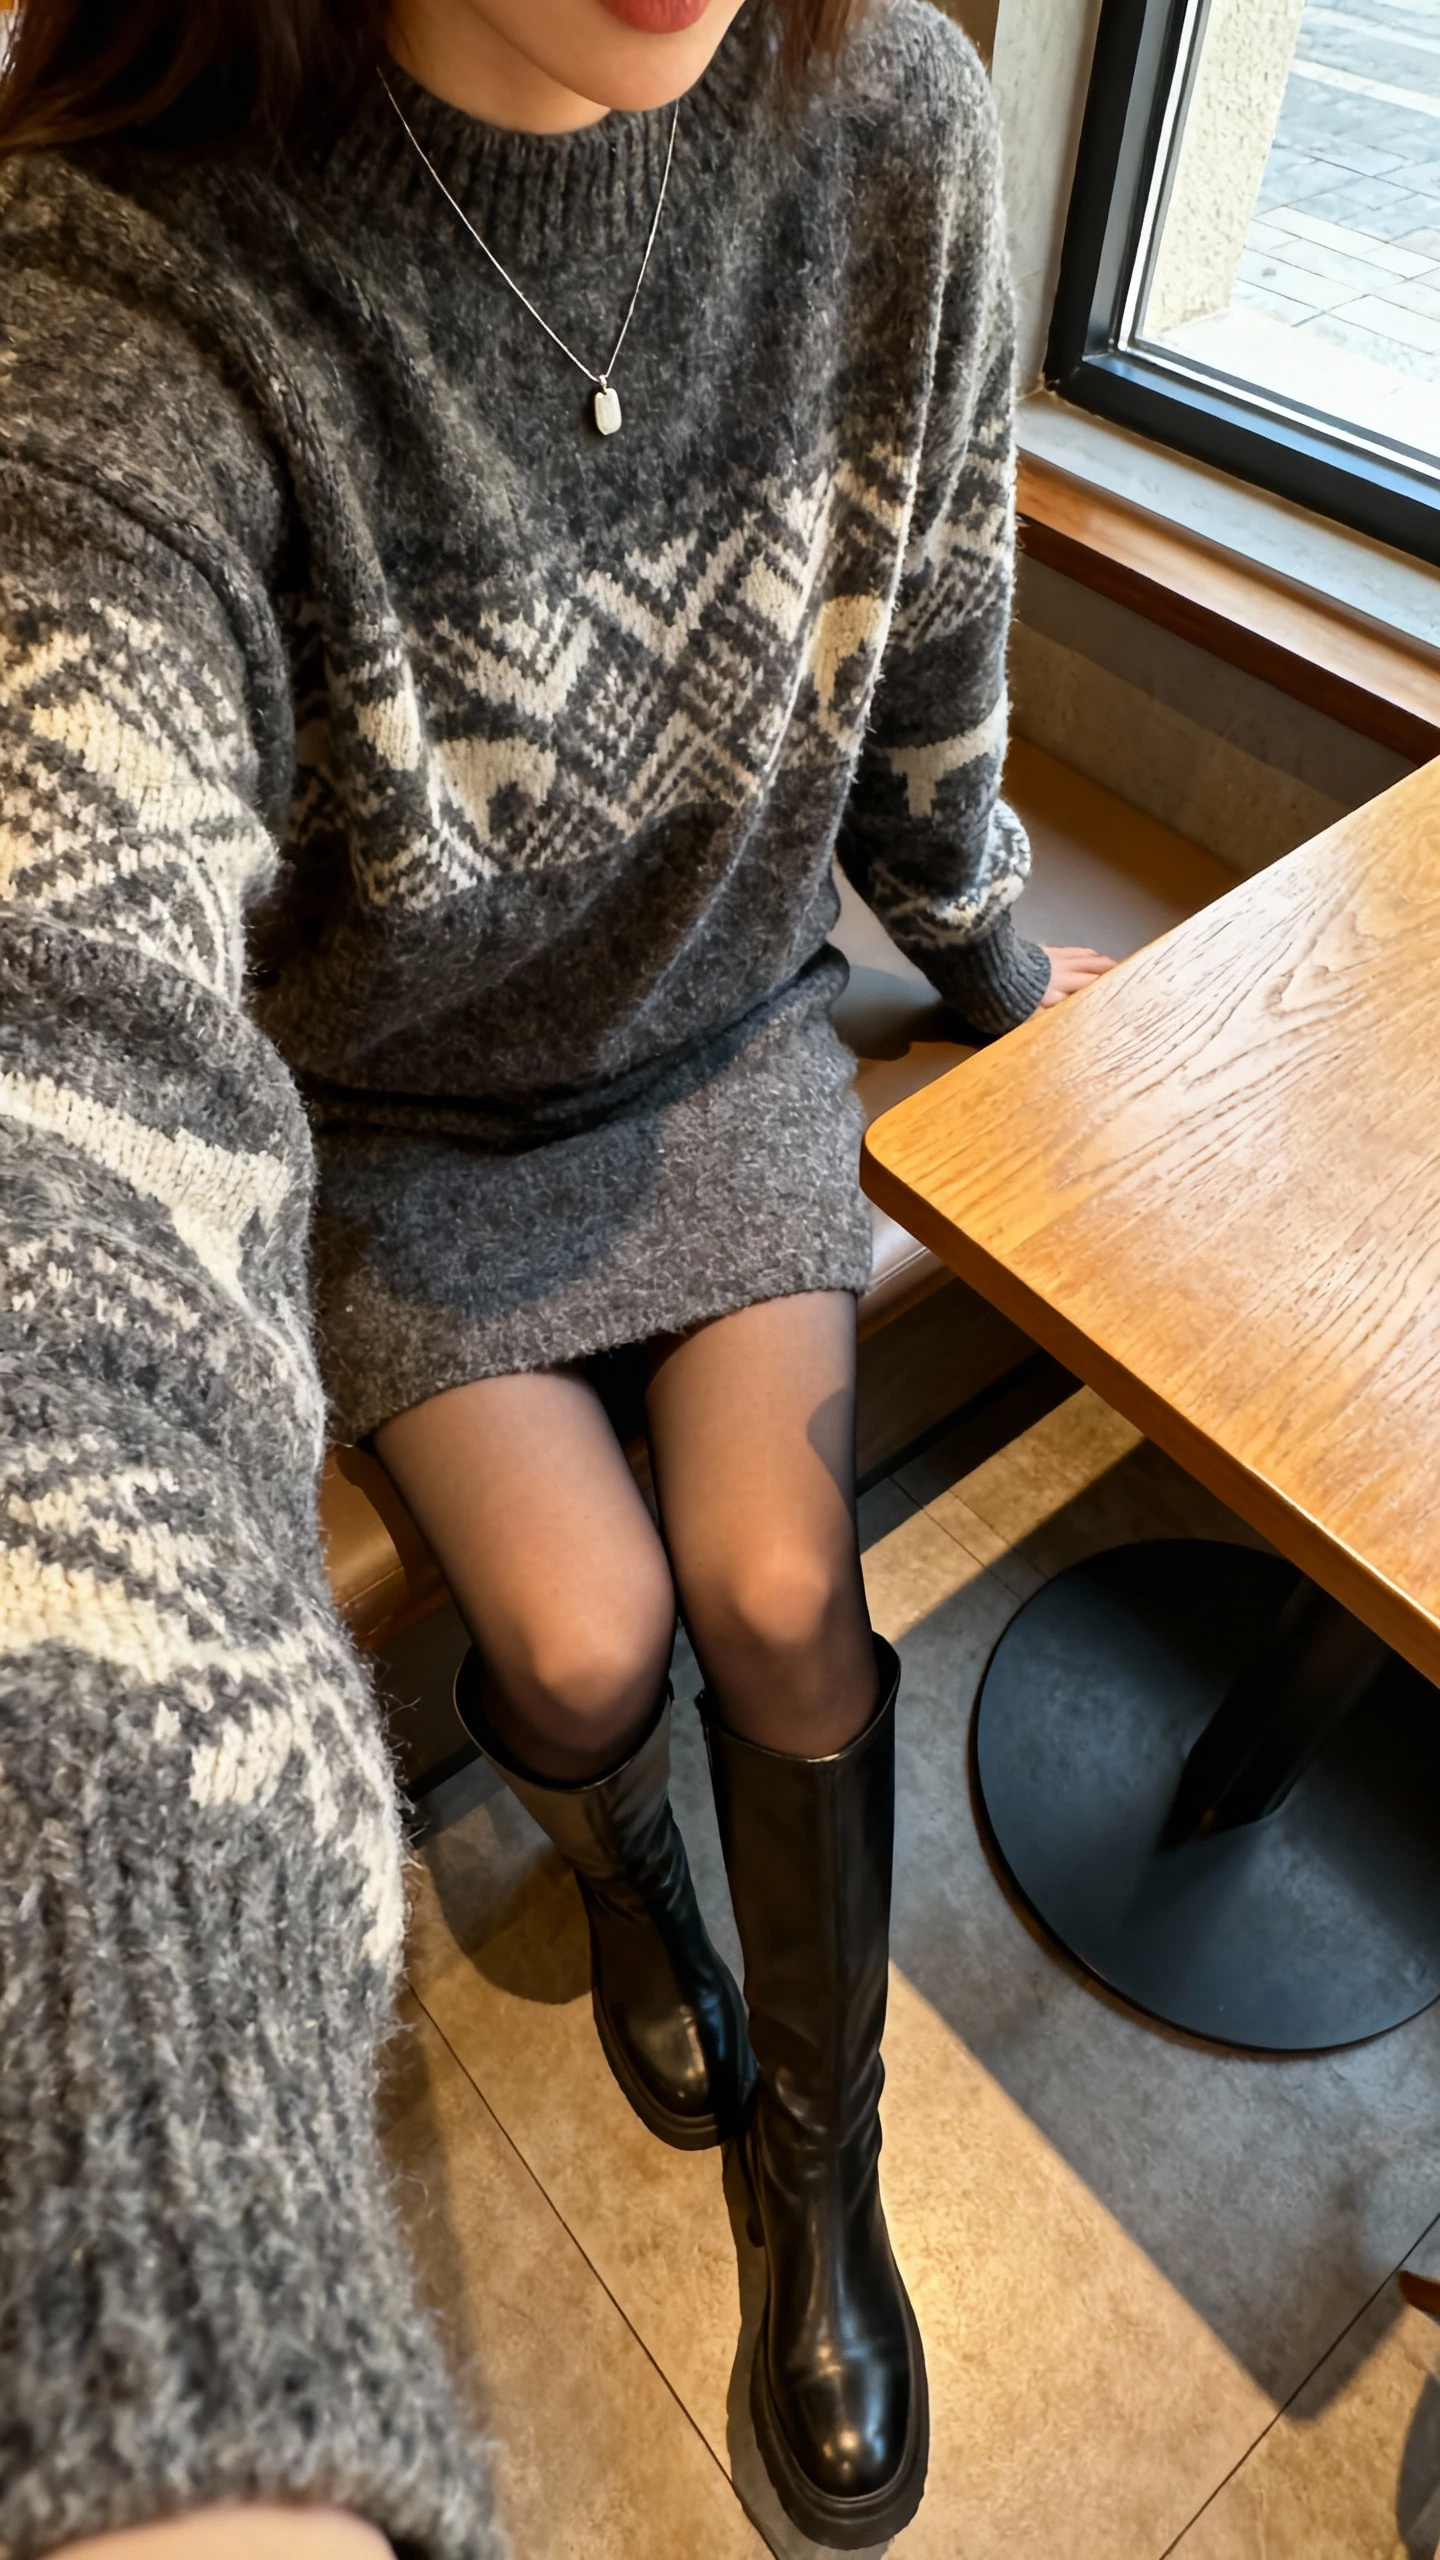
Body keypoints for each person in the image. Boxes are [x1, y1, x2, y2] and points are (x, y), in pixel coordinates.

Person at [0, 0, 1115, 2548]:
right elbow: (52, 1067)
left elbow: (937, 661)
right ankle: (644, 1906)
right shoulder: (124, 282)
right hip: (398, 1116)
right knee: (590, 1640)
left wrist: (991, 969)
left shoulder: (897, 131)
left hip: (720, 1033)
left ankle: (819, 2168)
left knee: (782, 1592)